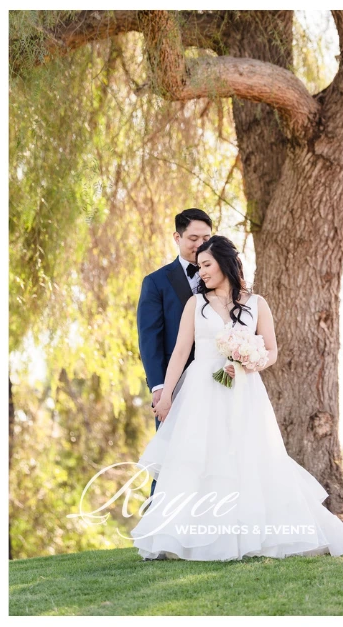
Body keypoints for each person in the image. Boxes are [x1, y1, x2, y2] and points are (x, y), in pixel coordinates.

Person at [131, 236, 343, 560]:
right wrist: (165, 395)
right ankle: (184, 539)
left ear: (224, 263)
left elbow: (271, 350)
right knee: (200, 458)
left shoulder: (256, 304)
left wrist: (250, 361)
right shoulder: (195, 305)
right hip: (201, 392)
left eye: (206, 264)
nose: (201, 271)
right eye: (199, 266)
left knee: (246, 457)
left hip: (243, 392)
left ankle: (247, 536)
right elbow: (179, 354)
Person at [136, 208, 213, 503]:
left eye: (206, 237)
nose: (200, 244)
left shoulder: (222, 278)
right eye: (193, 238)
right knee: (170, 458)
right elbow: (149, 339)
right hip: (174, 385)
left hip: (216, 382)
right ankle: (156, 532)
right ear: (177, 238)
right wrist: (159, 388)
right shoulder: (156, 282)